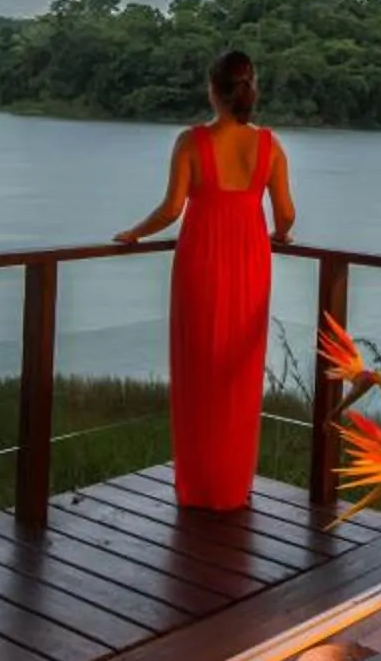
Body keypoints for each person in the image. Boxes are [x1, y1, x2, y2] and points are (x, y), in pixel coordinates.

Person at [115, 50, 296, 512]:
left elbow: (172, 208)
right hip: (250, 263)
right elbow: (287, 212)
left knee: (199, 370)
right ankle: (233, 486)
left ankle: (197, 486)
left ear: (213, 91)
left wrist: (134, 232)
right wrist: (280, 235)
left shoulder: (192, 142)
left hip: (202, 263)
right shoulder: (270, 146)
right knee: (239, 371)